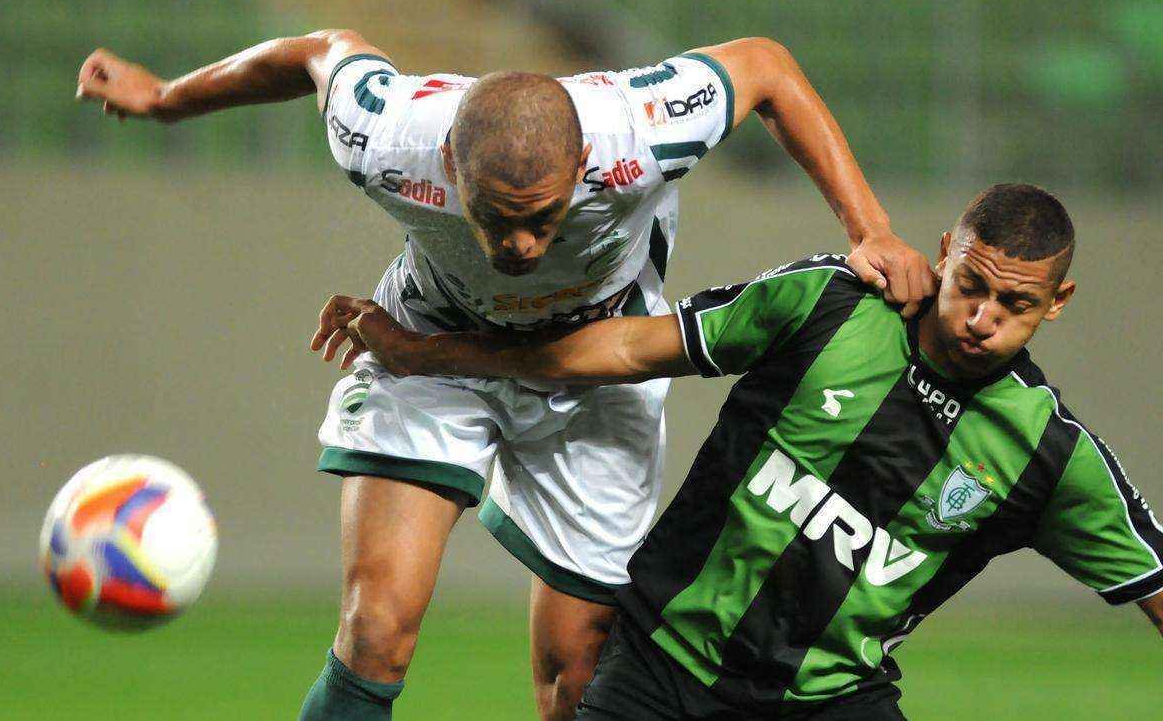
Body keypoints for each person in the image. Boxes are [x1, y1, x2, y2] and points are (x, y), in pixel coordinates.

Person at [75, 30, 934, 719]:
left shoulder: (647, 127)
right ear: (449, 167)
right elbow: (316, 52)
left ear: (587, 171)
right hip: (431, 346)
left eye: (546, 219)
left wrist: (872, 227)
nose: (524, 247)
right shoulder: (388, 136)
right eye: (499, 219)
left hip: (597, 370)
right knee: (377, 630)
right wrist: (163, 100)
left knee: (576, 680)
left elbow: (768, 67)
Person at [325, 183, 1163, 720]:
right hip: (660, 663)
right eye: (970, 285)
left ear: (1058, 303)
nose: (981, 317)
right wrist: (434, 353)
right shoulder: (831, 304)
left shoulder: (1051, 456)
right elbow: (620, 350)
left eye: (1013, 303)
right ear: (944, 252)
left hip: (825, 698)